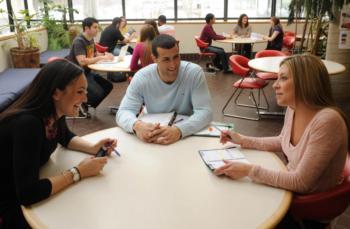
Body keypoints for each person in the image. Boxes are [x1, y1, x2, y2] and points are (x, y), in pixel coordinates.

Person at [0, 60, 117, 228]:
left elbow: (65, 136)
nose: (86, 98)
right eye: (80, 91)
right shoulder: (28, 124)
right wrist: (78, 172)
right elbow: (28, 193)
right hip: (10, 203)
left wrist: (92, 147)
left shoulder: (52, 111)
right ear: (57, 93)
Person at [215, 54, 349, 195]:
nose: (274, 85)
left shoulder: (328, 121)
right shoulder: (293, 108)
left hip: (308, 201)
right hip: (288, 186)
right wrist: (243, 140)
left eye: (283, 78)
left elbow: (301, 183)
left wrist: (249, 170)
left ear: (305, 82)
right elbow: (283, 140)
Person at [116, 34, 212, 145]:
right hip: (153, 135)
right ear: (154, 59)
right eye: (166, 59)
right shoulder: (142, 77)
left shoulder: (194, 73)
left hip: (186, 136)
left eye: (176, 57)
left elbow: (205, 111)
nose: (173, 65)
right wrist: (136, 125)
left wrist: (179, 130)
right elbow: (124, 111)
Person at [67, 17, 113, 109]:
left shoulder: (90, 39)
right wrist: (102, 57)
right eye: (95, 27)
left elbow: (95, 54)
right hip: (77, 74)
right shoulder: (79, 41)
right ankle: (79, 102)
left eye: (97, 27)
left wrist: (105, 54)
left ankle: (86, 103)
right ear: (86, 28)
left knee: (108, 86)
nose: (97, 30)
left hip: (87, 72)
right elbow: (82, 61)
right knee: (98, 93)